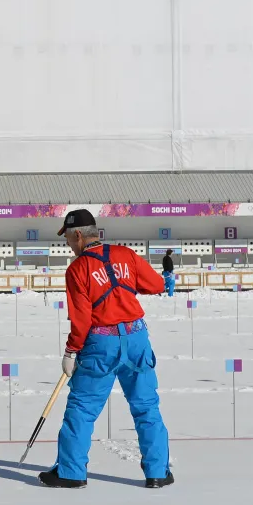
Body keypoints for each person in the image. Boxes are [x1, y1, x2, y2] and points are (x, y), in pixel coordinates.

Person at [40, 209, 173, 490]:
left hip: (101, 344)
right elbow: (157, 284)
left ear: (78, 235)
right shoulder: (126, 255)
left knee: (82, 409)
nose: (68, 245)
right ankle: (158, 472)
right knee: (146, 406)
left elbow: (81, 318)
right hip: (137, 338)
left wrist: (71, 352)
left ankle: (71, 473)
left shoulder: (77, 269)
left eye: (68, 239)